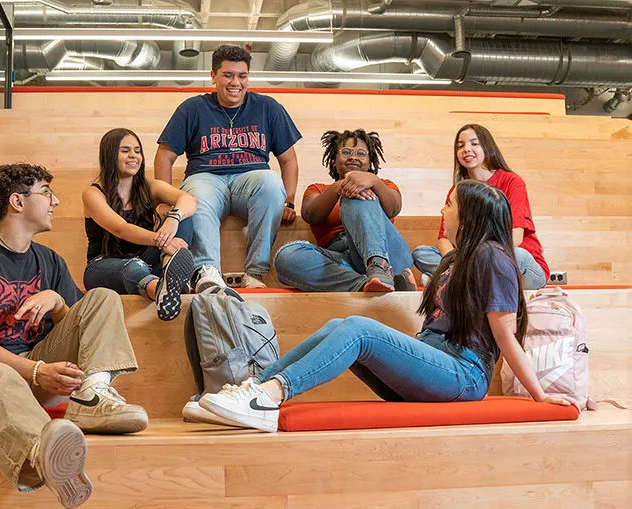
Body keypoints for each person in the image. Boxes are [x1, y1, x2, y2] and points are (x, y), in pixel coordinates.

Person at [195, 179, 578, 433]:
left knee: (359, 330)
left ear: (471, 216)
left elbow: (506, 337)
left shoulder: (493, 258)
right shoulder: (458, 258)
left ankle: (268, 398)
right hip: (436, 363)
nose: (443, 213)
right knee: (337, 325)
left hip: (463, 375)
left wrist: (540, 395)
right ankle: (251, 388)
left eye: (450, 206)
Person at [0, 163, 149, 509]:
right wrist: (36, 372)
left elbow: (80, 324)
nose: (56, 201)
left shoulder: (50, 261)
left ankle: (92, 396)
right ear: (17, 202)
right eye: (46, 192)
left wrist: (59, 303)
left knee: (103, 297)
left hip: (34, 370)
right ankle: (39, 458)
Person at [154, 44, 302, 289]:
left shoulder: (268, 107)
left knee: (271, 182)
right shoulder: (192, 108)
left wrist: (290, 200)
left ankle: (255, 274)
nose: (236, 82)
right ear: (213, 76)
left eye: (242, 76)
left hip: (250, 181)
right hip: (206, 178)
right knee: (195, 195)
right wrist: (164, 201)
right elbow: (164, 156)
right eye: (228, 75)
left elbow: (289, 160)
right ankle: (207, 272)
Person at [273, 129, 416, 292]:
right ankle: (364, 284)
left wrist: (373, 182)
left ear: (370, 162)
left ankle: (379, 267)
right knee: (286, 256)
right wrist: (339, 187)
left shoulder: (384, 184)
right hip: (342, 263)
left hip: (391, 257)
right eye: (346, 152)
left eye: (361, 153)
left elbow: (394, 208)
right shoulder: (319, 189)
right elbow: (310, 215)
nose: (354, 157)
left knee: (356, 192)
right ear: (334, 160)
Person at [412, 124, 550, 290]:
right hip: (470, 261)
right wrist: (456, 261)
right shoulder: (458, 189)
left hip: (511, 261)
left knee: (520, 256)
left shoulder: (512, 182)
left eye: (474, 144)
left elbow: (515, 238)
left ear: (487, 147)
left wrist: (472, 259)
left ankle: (449, 279)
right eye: (460, 146)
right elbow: (444, 238)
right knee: (422, 254)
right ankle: (460, 278)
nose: (466, 150)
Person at [83, 128, 200, 321]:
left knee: (183, 215)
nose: (133, 156)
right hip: (104, 267)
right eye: (125, 150)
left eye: (137, 151)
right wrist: (160, 240)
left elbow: (189, 200)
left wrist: (173, 218)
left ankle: (168, 266)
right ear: (109, 154)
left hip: (147, 260)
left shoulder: (150, 187)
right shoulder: (93, 194)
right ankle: (163, 291)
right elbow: (120, 228)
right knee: (132, 267)